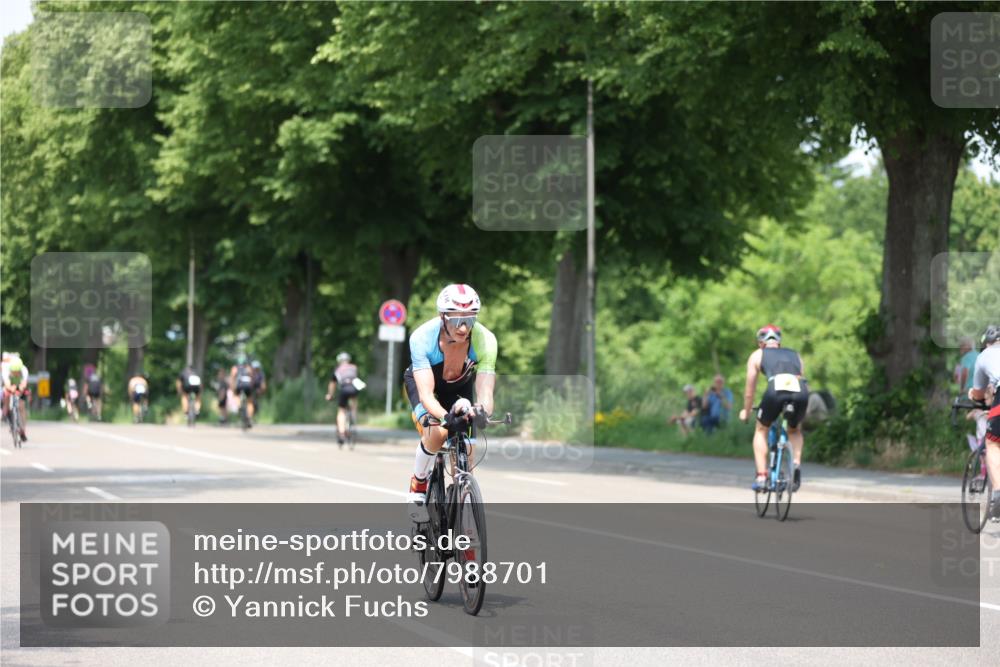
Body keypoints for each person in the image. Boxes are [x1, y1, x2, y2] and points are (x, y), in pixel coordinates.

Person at [403, 284, 497, 521]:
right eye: (456, 320)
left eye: (470, 319)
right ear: (442, 316)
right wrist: (446, 418)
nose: (463, 327)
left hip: (458, 386)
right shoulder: (422, 338)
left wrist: (482, 411)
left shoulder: (486, 340)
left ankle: (461, 511)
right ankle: (418, 484)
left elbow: (485, 391)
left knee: (467, 456)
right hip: (428, 386)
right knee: (437, 434)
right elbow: (427, 395)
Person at [739, 324, 809, 492]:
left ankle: (762, 476)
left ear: (760, 343)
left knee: (761, 429)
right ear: (779, 342)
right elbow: (802, 377)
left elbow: (749, 391)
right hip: (801, 391)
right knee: (794, 430)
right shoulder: (796, 355)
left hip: (775, 391)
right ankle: (796, 464)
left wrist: (746, 412)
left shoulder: (757, 354)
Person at [969, 325, 1000, 519]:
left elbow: (978, 393)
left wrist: (973, 395)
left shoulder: (984, 356)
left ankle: (998, 494)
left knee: (993, 443)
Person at [325, 352, 360, 446]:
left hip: (344, 389)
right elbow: (356, 379)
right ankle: (353, 418)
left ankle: (342, 433)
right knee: (353, 403)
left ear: (339, 361)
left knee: (341, 411)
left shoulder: (337, 369)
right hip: (354, 389)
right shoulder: (353, 367)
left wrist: (330, 395)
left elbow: (332, 384)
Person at [2, 355, 29, 441]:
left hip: (20, 385)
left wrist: (21, 388)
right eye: (14, 372)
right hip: (10, 385)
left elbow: (24, 383)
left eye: (17, 372)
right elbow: (7, 384)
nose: (16, 373)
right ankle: (6, 413)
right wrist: (11, 388)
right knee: (6, 396)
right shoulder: (6, 370)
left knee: (22, 406)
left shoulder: (24, 370)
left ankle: (23, 429)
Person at [230, 354, 256, 424]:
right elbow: (252, 377)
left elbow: (232, 377)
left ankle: (239, 407)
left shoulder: (235, 368)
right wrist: (252, 386)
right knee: (250, 402)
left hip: (239, 384)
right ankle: (249, 418)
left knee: (236, 395)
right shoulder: (248, 367)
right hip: (248, 385)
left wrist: (232, 388)